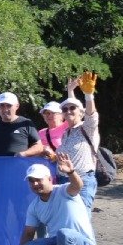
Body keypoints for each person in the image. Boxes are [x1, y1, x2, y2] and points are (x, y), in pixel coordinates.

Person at [16, 156, 98, 245]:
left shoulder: (64, 191)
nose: (35, 184)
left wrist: (70, 172)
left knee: (64, 233)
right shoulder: (34, 206)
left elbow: (78, 186)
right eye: (31, 181)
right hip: (58, 244)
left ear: (49, 179)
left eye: (38, 180)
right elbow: (29, 233)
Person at [51, 72, 102, 209]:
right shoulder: (66, 132)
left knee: (81, 218)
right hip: (63, 181)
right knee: (66, 218)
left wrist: (88, 95)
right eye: (64, 109)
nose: (68, 111)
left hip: (83, 179)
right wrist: (70, 91)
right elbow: (72, 108)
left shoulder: (87, 128)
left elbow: (91, 115)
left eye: (72, 108)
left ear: (81, 112)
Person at [0, 92, 45, 158]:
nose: (5, 109)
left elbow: (39, 146)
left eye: (9, 105)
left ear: (17, 106)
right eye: (2, 106)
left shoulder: (26, 123)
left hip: (19, 168)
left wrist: (24, 153)